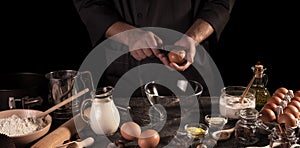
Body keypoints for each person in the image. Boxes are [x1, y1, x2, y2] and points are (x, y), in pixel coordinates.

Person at [72, 0, 235, 96]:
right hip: (124, 70)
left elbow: (219, 3)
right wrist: (128, 35)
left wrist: (193, 37)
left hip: (190, 72)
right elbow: (89, 3)